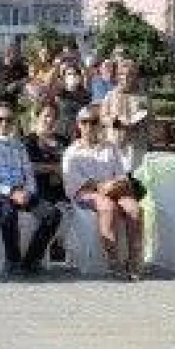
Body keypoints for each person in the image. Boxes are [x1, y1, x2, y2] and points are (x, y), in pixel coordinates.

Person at [0, 105, 63, 275]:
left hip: (21, 192)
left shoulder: (18, 146)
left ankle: (31, 260)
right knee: (8, 211)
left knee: (53, 214)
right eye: (0, 119)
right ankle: (13, 260)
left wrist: (28, 192)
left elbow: (28, 174)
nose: (4, 123)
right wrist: (10, 192)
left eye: (9, 120)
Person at [63, 106, 145, 279]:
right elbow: (75, 183)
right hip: (86, 192)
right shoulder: (71, 152)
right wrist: (103, 187)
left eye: (93, 122)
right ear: (78, 125)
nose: (89, 126)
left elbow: (122, 176)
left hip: (114, 189)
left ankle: (134, 260)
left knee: (134, 209)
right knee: (107, 207)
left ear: (100, 125)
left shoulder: (111, 148)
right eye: (84, 122)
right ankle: (113, 261)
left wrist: (114, 185)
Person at [100, 59, 151, 170]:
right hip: (114, 143)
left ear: (136, 76)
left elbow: (148, 118)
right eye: (122, 74)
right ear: (118, 76)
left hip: (136, 144)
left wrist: (136, 122)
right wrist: (116, 122)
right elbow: (103, 117)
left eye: (131, 74)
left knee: (135, 177)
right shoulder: (110, 95)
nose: (126, 77)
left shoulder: (143, 96)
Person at [23, 101, 69, 206]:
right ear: (37, 116)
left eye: (54, 117)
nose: (50, 120)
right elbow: (28, 166)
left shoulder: (63, 141)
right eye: (47, 116)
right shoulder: (29, 141)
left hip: (64, 193)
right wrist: (54, 168)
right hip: (40, 194)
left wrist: (59, 171)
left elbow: (70, 165)